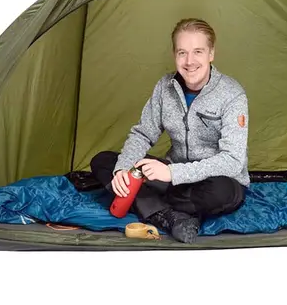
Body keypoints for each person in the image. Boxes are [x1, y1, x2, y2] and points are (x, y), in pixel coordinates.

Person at [90, 18, 250, 243]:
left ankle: (151, 206)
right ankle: (172, 217)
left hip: (213, 181)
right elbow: (143, 134)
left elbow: (232, 160)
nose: (189, 61)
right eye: (182, 53)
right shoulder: (165, 87)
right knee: (103, 161)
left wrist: (173, 174)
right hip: (173, 178)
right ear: (174, 55)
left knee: (223, 193)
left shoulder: (232, 95)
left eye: (198, 52)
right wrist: (122, 170)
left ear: (211, 54)